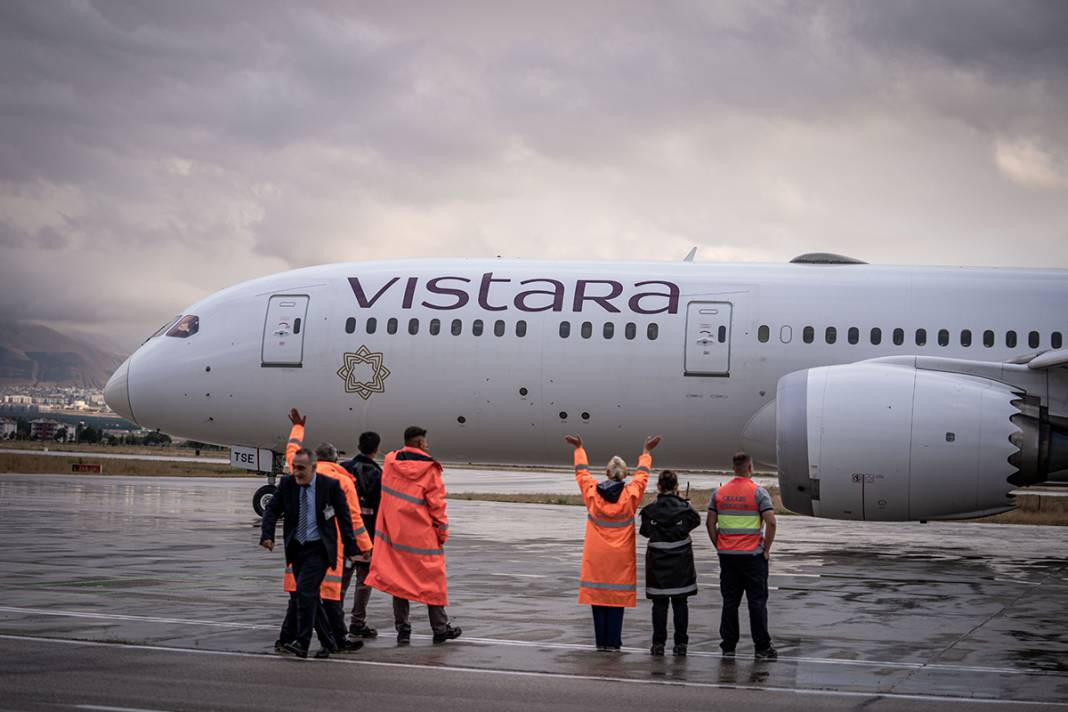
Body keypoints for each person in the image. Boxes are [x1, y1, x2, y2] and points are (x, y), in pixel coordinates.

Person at [280, 409, 374, 655]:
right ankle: (334, 640)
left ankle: (291, 640)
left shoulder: (300, 469)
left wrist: (298, 428)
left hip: (300, 547)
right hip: (329, 550)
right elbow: (353, 517)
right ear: (335, 459)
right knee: (328, 599)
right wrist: (365, 547)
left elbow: (290, 451)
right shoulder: (342, 481)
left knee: (300, 597)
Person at [260, 445, 360, 659]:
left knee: (305, 592)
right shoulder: (287, 483)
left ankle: (302, 644)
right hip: (297, 549)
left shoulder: (330, 486)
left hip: (320, 549)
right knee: (310, 596)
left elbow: (345, 519)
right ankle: (330, 641)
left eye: (301, 468)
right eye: (295, 467)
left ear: (314, 468)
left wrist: (353, 549)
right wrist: (267, 535)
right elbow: (272, 510)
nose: (297, 472)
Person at [364, 426, 461, 645]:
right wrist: (442, 531)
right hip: (422, 537)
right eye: (425, 443)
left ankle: (403, 629)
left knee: (400, 582)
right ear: (419, 443)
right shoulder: (429, 468)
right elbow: (437, 504)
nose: (428, 446)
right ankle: (439, 628)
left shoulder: (390, 463)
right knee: (433, 582)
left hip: (396, 534)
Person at [566, 433, 660, 651]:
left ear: (607, 473)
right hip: (620, 558)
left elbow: (581, 473)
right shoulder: (630, 494)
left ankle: (601, 642)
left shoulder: (592, 493)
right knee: (616, 601)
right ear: (625, 474)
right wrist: (646, 453)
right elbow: (642, 477)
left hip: (597, 556)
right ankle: (614, 642)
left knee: (598, 600)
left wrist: (579, 448)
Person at [706, 451, 778, 660]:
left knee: (730, 603)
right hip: (752, 557)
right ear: (750, 468)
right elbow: (771, 521)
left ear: (733, 468)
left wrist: (719, 545)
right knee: (756, 603)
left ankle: (728, 646)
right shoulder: (758, 493)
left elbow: (710, 523)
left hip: (728, 557)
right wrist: (766, 549)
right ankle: (762, 647)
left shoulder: (719, 493)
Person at [638, 469, 701, 656]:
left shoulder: (649, 511)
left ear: (658, 487)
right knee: (681, 604)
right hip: (681, 564)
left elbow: (645, 532)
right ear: (676, 487)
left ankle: (658, 644)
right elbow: (694, 522)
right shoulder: (686, 510)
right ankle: (681, 644)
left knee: (659, 605)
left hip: (658, 565)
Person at [341, 431, 383, 639]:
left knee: (342, 579)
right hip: (367, 535)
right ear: (376, 449)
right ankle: (357, 622)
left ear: (358, 446)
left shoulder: (344, 469)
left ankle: (334, 618)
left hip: (344, 533)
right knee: (364, 580)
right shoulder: (377, 473)